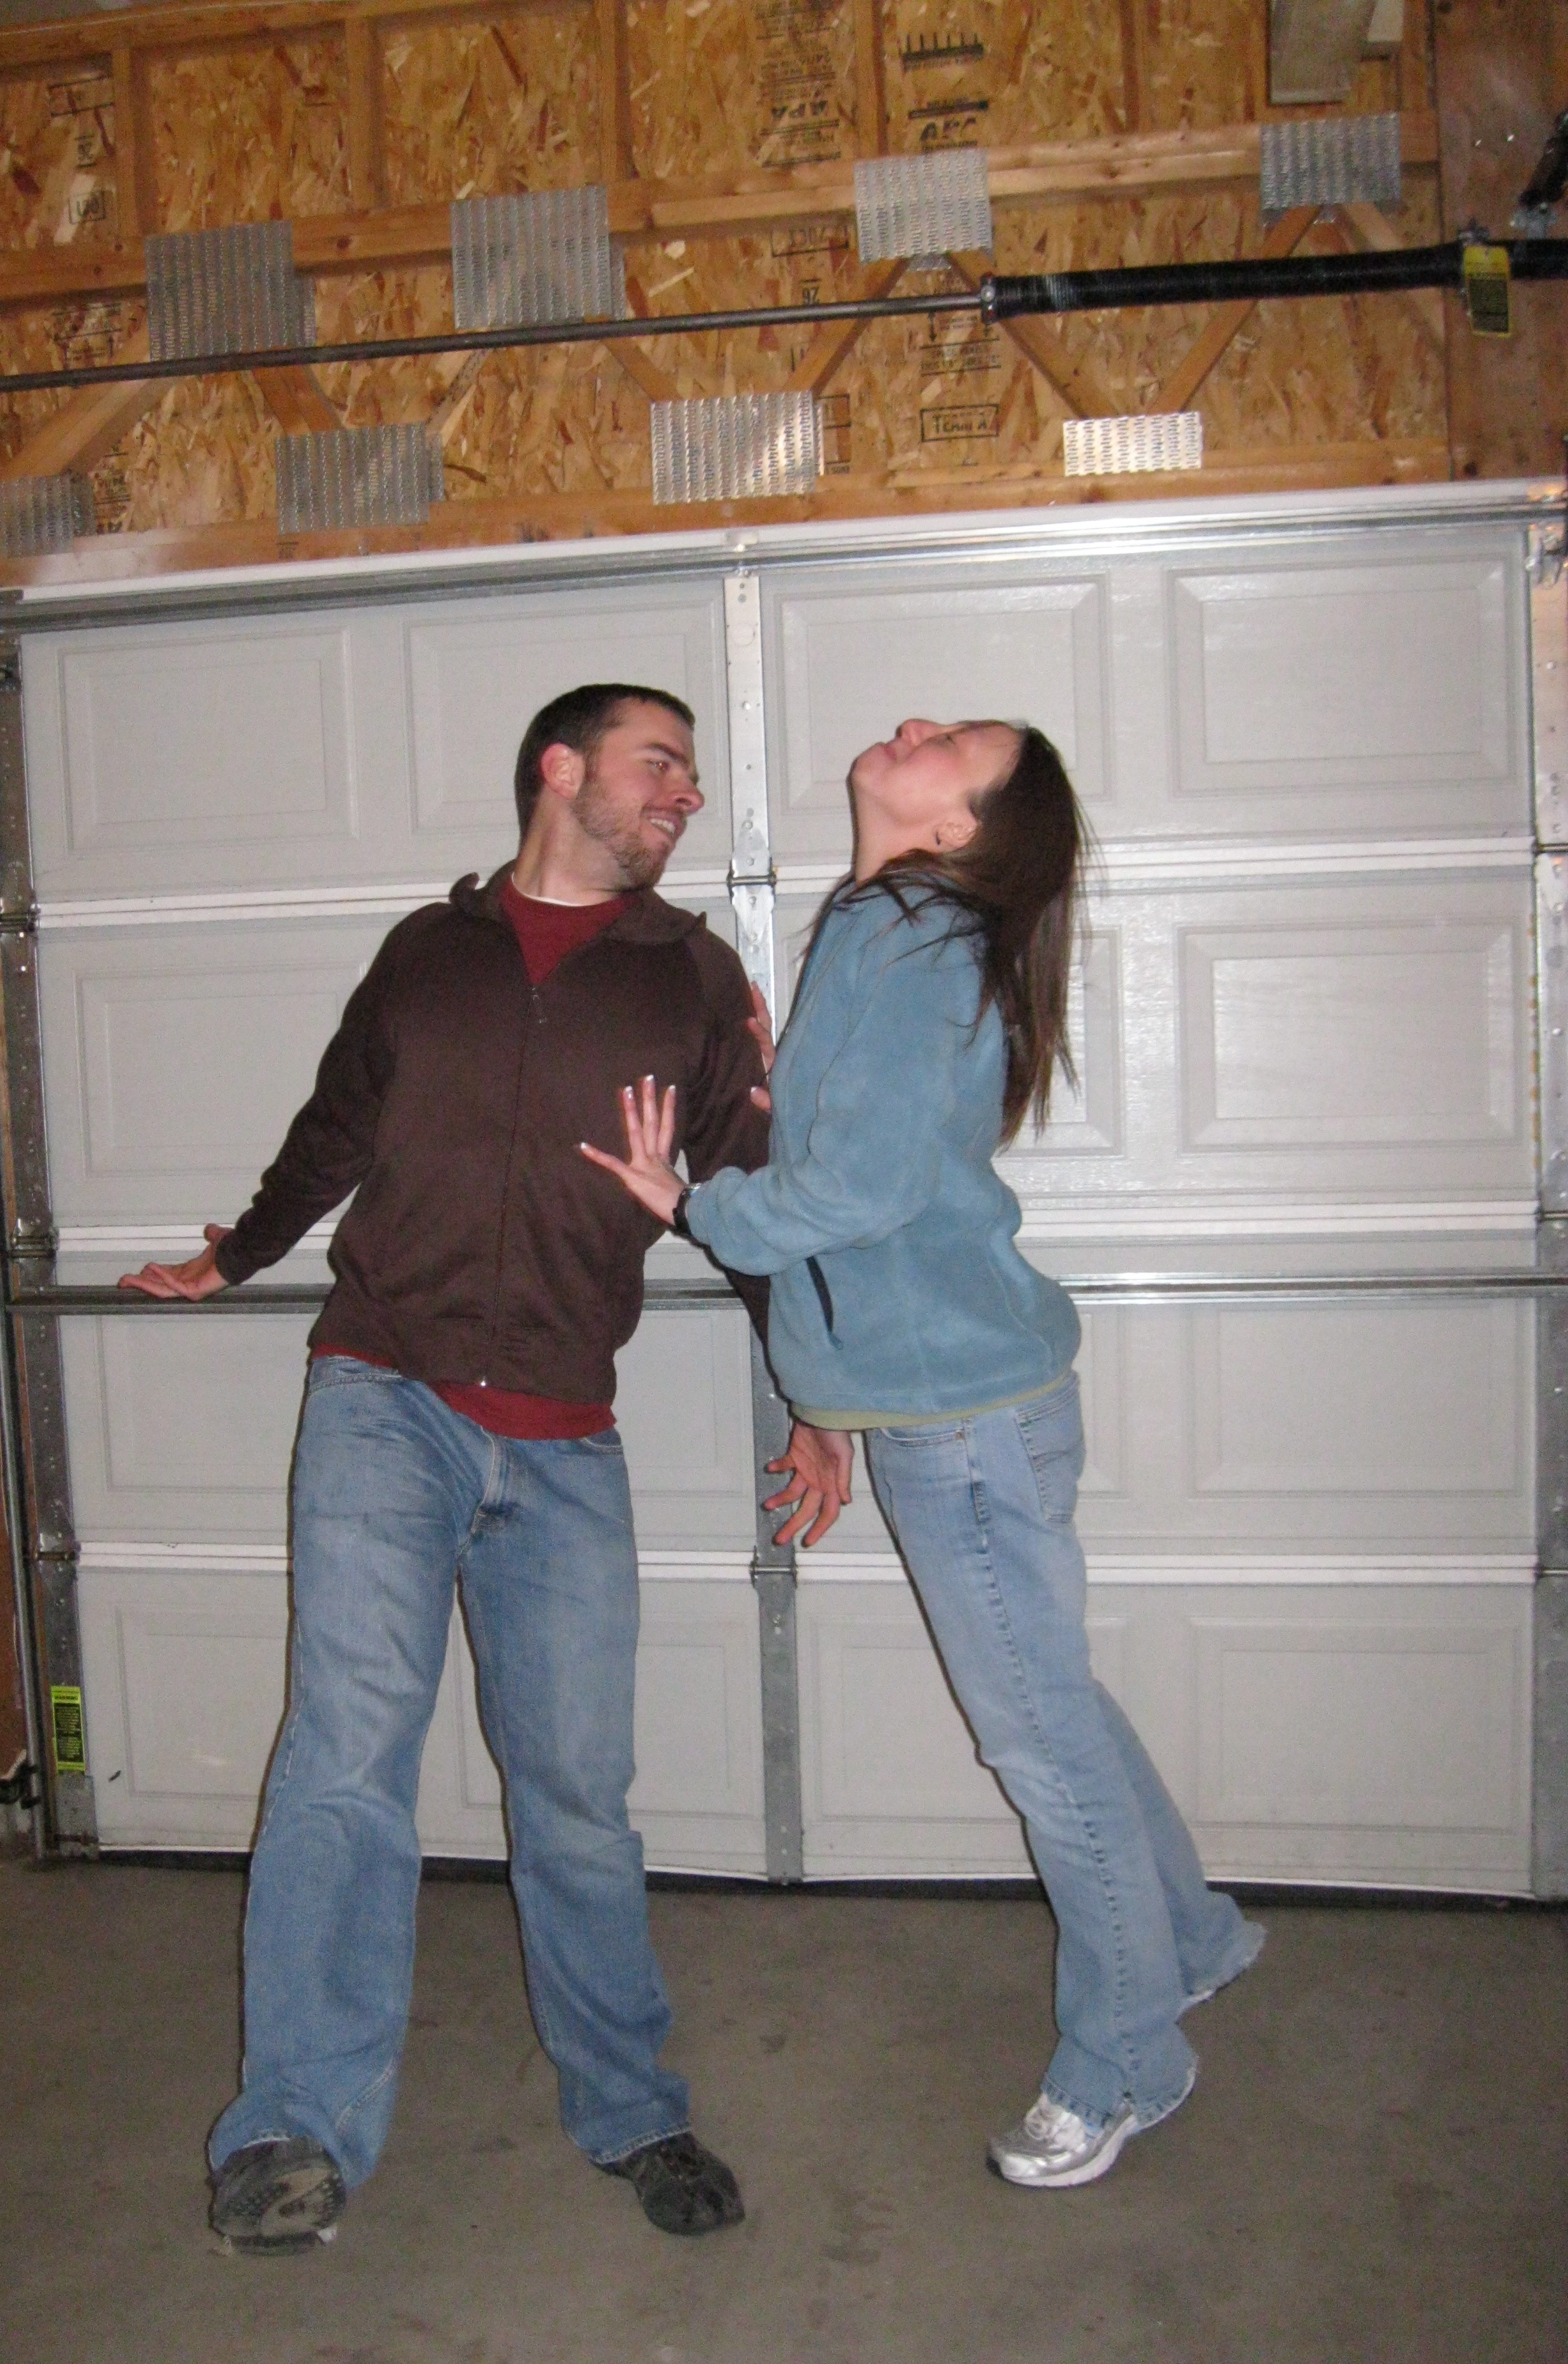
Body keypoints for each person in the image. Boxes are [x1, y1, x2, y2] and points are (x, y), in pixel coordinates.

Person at [121, 684, 774, 2252]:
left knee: (577, 1794)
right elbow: (335, 1127)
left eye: (688, 776)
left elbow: (756, 1197)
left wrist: (814, 1391)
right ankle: (292, 2126)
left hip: (561, 1432)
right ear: (564, 771)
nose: (684, 796)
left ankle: (633, 2107)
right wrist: (241, 1252)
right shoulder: (429, 953)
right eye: (658, 765)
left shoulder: (692, 978)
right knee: (345, 1756)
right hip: (383, 1395)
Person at [582, 714, 1264, 2191]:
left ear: (959, 827)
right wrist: (823, 1392)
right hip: (959, 1404)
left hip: (965, 1430)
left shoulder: (913, 940)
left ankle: (1132, 2052)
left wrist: (695, 1205)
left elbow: (861, 1188)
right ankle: (1191, 1935)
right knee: (1056, 1703)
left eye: (953, 740)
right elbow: (868, 1172)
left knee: (1036, 1736)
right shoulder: (891, 925)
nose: (913, 726)